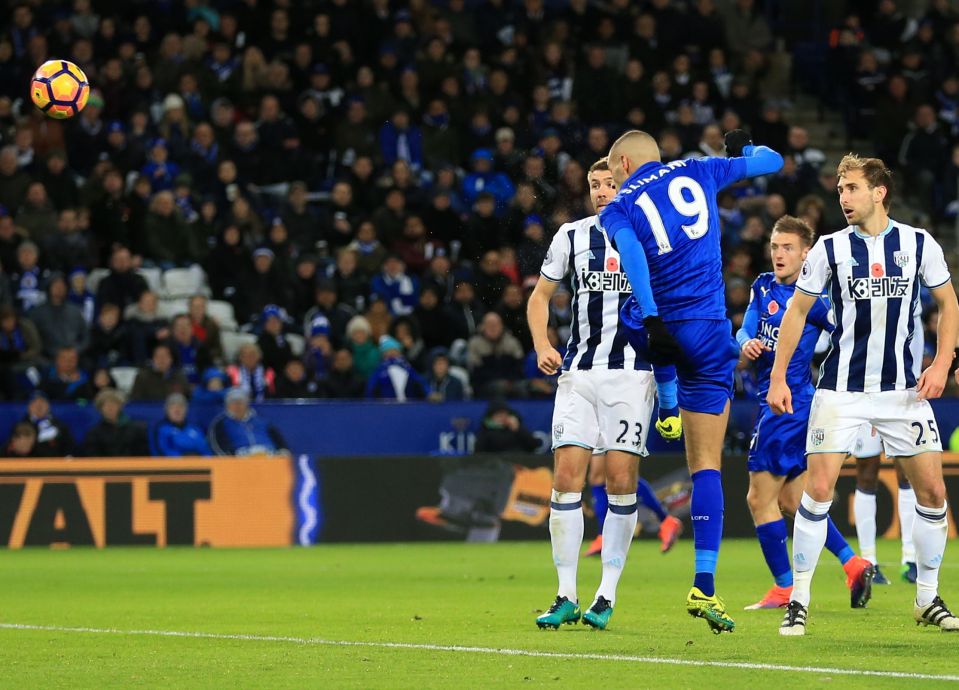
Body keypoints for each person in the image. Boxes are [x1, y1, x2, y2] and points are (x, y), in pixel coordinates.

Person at [599, 128, 783, 633]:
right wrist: (743, 151)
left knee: (631, 312)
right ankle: (704, 584)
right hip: (710, 330)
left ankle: (666, 399)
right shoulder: (701, 169)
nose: (612, 179)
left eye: (614, 170)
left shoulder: (617, 206)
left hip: (661, 328)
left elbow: (633, 253)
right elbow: (772, 159)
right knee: (706, 468)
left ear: (624, 162)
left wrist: (654, 318)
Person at [768, 154, 959, 634]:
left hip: (902, 390)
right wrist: (776, 377)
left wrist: (941, 363)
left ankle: (927, 598)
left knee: (934, 492)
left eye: (852, 188)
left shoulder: (918, 244)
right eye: (839, 190)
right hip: (840, 390)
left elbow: (948, 303)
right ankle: (800, 598)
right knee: (816, 491)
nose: (843, 198)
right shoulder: (830, 249)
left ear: (879, 192)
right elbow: (795, 313)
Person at [528, 158, 683, 632]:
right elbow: (539, 297)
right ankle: (565, 594)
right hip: (578, 372)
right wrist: (541, 343)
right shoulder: (571, 237)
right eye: (595, 184)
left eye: (609, 184)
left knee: (619, 480)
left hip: (632, 375)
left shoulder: (654, 239)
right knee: (567, 477)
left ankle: (606, 594)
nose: (600, 191)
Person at [736, 215, 874, 611]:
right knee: (795, 501)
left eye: (788, 248)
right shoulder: (762, 286)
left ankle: (783, 587)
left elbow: (847, 331)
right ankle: (853, 563)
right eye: (775, 246)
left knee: (758, 498)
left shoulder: (812, 296)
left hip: (787, 404)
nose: (779, 254)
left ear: (806, 253)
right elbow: (743, 330)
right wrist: (746, 343)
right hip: (775, 400)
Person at [849, 425, 917, 585]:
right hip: (866, 404)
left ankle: (910, 559)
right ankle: (868, 561)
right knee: (866, 475)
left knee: (907, 474)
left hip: (898, 404)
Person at [208, 386, 290, 456]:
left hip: (269, 457)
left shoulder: (262, 421)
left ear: (247, 403)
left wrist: (283, 451)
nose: (237, 406)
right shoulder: (220, 423)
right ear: (227, 405)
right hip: (241, 461)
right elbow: (217, 447)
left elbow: (280, 441)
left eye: (240, 402)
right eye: (233, 402)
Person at [82, 388, 150, 457]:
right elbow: (92, 457)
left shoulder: (137, 429)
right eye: (105, 405)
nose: (110, 408)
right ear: (100, 409)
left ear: (120, 406)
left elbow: (143, 455)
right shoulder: (94, 433)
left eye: (113, 405)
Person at [149, 392, 212, 457]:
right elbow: (161, 453)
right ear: (166, 410)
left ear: (186, 410)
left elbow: (206, 452)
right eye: (173, 406)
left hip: (200, 465)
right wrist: (184, 457)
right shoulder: (160, 429)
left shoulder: (195, 429)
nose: (177, 410)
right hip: (172, 466)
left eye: (181, 406)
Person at [22, 389, 74, 457]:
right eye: (35, 402)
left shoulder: (60, 425)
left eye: (42, 402)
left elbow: (69, 446)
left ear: (48, 406)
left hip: (57, 463)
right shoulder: (22, 426)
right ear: (29, 407)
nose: (39, 406)